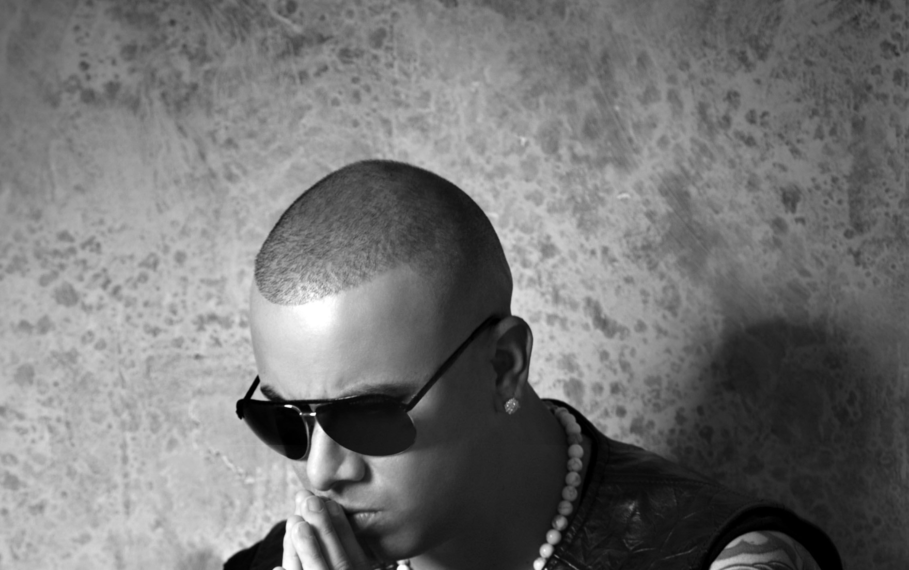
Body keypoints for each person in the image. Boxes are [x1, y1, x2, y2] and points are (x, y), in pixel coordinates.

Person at [225, 160, 842, 570]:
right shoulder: (272, 564)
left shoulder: (733, 561)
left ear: (503, 367)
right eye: (284, 421)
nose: (319, 471)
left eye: (368, 416)